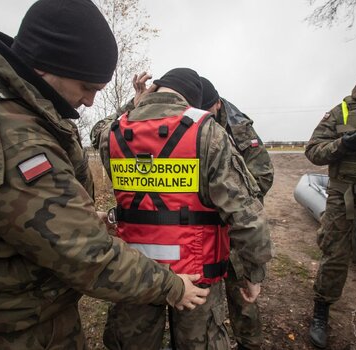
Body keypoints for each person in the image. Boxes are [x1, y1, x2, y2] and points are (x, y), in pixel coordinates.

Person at [0, 1, 209, 349]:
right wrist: (173, 286)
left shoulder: (26, 106)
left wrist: (79, 215)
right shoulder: (11, 132)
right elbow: (85, 254)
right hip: (13, 326)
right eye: (88, 87)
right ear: (48, 65)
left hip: (30, 304)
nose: (87, 102)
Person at [98, 67, 273, 350]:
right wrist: (253, 274)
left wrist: (134, 101)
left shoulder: (113, 131)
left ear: (156, 88)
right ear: (192, 100)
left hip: (135, 271)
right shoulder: (207, 132)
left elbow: (98, 131)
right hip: (197, 273)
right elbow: (246, 216)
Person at [200, 76, 274, 350]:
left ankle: (248, 341)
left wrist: (233, 201)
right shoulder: (191, 124)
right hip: (202, 224)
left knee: (241, 286)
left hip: (233, 219)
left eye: (205, 111)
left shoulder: (239, 129)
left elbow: (263, 176)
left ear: (217, 105)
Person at [305, 76, 356, 349]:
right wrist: (341, 146)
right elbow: (313, 151)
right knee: (336, 255)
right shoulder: (342, 111)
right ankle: (322, 311)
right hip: (344, 196)